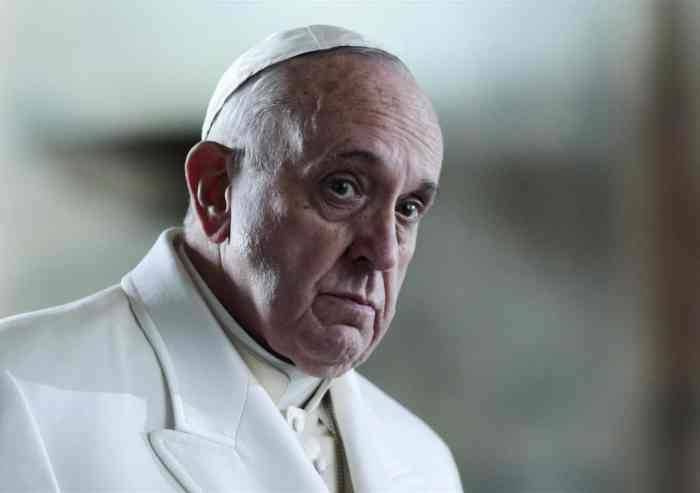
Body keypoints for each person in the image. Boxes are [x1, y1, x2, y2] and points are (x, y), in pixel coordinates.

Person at [0, 25, 462, 492]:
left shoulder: (424, 461)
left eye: (407, 209)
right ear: (216, 190)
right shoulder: (19, 389)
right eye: (342, 188)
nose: (383, 253)